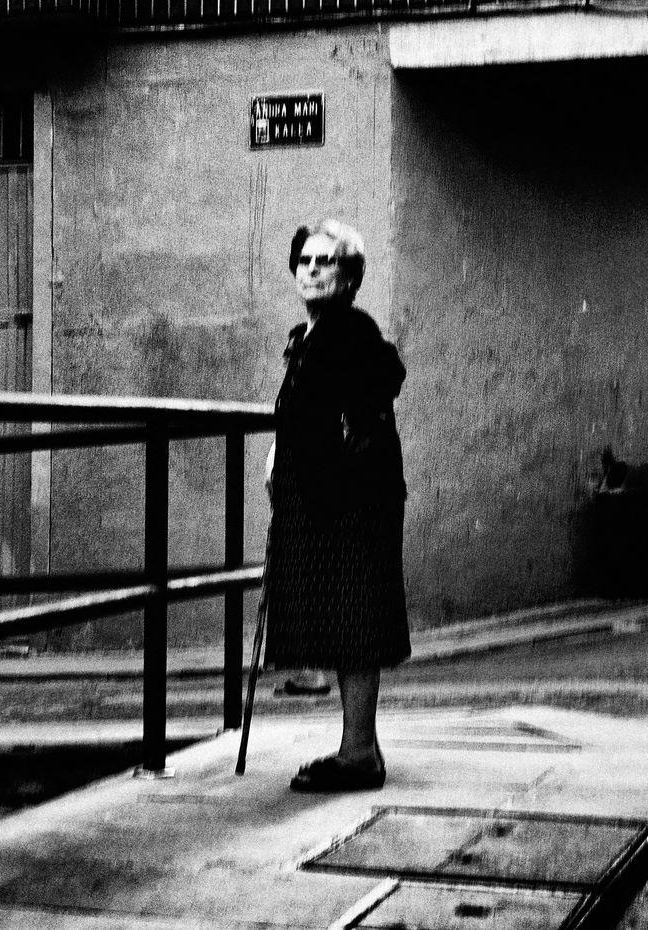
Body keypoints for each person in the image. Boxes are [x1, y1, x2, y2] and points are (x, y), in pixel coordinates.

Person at [264, 218, 410, 792]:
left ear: (350, 277)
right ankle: (360, 745)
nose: (312, 269)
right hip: (331, 496)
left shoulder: (349, 331)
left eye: (326, 262)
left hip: (351, 501)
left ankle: (358, 756)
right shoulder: (315, 334)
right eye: (304, 260)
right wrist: (280, 458)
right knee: (346, 619)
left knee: (355, 620)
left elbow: (366, 399)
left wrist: (328, 465)